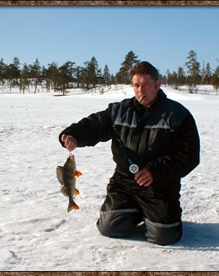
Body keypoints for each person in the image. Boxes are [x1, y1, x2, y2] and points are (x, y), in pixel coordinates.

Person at [59, 61, 200, 245]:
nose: (141, 90)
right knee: (109, 228)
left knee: (164, 236)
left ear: (158, 85)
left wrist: (155, 171)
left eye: (146, 84)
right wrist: (73, 135)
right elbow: (95, 125)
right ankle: (137, 211)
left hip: (159, 185)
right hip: (124, 182)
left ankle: (161, 216)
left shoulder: (177, 115)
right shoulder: (119, 111)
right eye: (136, 85)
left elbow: (189, 155)